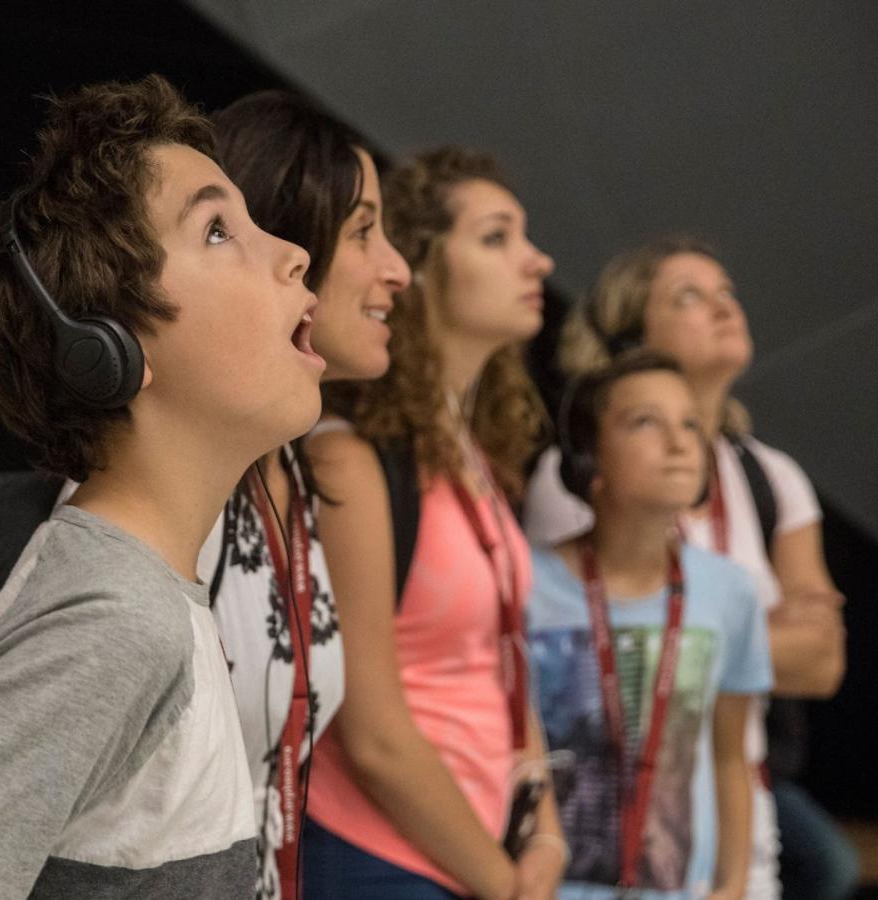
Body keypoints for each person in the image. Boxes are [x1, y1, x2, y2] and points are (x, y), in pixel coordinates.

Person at [0, 73, 321, 899]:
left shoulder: (146, 595)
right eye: (219, 231)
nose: (293, 252)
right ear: (110, 349)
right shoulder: (113, 620)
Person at [525, 235, 852, 899]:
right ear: (630, 332)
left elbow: (821, 663)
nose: (724, 307)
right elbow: (585, 641)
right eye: (690, 297)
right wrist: (765, 629)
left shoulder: (769, 474)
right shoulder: (580, 477)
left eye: (727, 292)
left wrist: (720, 628)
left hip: (723, 801)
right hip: (593, 800)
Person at [302, 147, 565, 898]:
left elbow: (500, 665)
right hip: (380, 860)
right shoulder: (353, 461)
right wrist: (501, 881)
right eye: (497, 237)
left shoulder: (475, 459)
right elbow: (375, 733)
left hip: (475, 858)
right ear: (419, 267)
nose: (539, 261)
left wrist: (545, 832)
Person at [200, 89, 409, 900]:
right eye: (364, 232)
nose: (398, 267)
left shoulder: (291, 469)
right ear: (287, 245)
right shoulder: (175, 481)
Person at [529, 350, 773, 899]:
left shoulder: (728, 591)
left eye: (690, 423)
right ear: (588, 459)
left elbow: (729, 753)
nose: (680, 441)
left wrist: (732, 886)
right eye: (645, 421)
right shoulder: (527, 584)